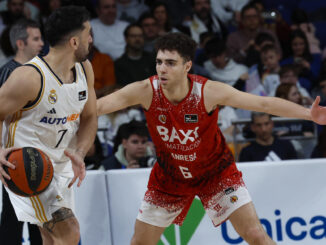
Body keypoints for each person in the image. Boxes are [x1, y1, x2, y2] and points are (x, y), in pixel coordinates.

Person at [97, 32, 326, 245]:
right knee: (139, 243)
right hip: (170, 177)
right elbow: (98, 107)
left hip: (216, 173)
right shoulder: (146, 90)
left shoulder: (207, 92)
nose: (162, 69)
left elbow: (263, 103)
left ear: (187, 66)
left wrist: (308, 114)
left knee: (256, 235)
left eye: (170, 63)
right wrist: (68, 114)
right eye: (159, 62)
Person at [0, 6, 97, 245]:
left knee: (52, 239)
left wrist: (79, 152)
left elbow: (90, 117)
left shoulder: (85, 69)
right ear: (74, 42)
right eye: (88, 34)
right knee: (69, 231)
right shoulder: (29, 77)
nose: (92, 40)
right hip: (29, 165)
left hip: (61, 165)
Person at [0, 18, 43, 245]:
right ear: (20, 43)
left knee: (39, 220)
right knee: (14, 218)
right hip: (16, 155)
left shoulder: (38, 71)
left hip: (37, 151)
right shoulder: (9, 73)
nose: (41, 43)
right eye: (36, 38)